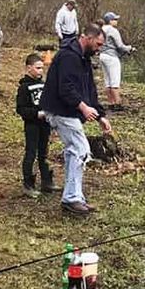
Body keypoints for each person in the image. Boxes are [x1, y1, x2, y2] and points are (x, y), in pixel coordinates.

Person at [40, 21, 112, 216]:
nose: (99, 50)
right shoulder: (68, 57)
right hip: (59, 110)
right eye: (97, 45)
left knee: (76, 151)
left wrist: (101, 116)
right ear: (87, 39)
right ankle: (71, 199)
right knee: (79, 150)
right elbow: (66, 88)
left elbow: (90, 90)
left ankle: (75, 197)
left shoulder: (84, 58)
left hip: (70, 111)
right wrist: (83, 107)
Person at [15, 52, 55, 198]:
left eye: (42, 68)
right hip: (32, 124)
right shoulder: (24, 87)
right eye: (37, 68)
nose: (40, 71)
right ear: (28, 68)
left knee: (44, 152)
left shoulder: (43, 85)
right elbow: (20, 109)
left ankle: (46, 181)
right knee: (31, 153)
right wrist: (36, 114)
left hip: (45, 124)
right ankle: (28, 184)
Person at [100, 12, 135, 110]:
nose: (116, 21)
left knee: (107, 82)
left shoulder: (101, 29)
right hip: (112, 57)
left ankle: (111, 103)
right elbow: (120, 46)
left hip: (102, 56)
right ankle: (118, 104)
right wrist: (130, 48)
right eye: (115, 19)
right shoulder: (113, 30)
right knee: (115, 81)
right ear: (110, 21)